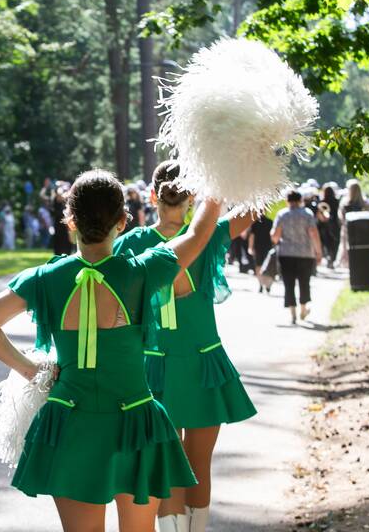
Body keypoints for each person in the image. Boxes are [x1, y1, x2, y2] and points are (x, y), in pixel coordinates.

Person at [0, 169, 224, 532]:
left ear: (69, 219)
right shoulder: (143, 269)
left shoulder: (45, 278)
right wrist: (220, 181)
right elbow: (198, 233)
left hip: (71, 421)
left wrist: (32, 370)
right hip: (137, 421)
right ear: (122, 221)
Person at [113, 161, 258, 532]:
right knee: (198, 466)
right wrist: (239, 161)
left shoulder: (130, 243)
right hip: (204, 361)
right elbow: (255, 209)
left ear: (152, 195)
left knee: (166, 464)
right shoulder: (209, 233)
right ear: (192, 196)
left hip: (153, 364)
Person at [271, 189, 323, 324]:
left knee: (289, 283)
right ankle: (303, 309)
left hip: (286, 254)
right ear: (300, 201)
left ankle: (292, 313)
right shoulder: (307, 214)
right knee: (304, 282)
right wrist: (318, 252)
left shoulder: (282, 215)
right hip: (305, 254)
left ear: (287, 201)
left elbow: (275, 237)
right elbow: (313, 233)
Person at [247, 209, 275, 293]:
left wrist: (250, 247)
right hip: (268, 247)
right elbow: (273, 236)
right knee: (269, 266)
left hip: (258, 247)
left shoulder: (255, 223)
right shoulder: (270, 222)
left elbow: (252, 236)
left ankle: (261, 284)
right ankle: (268, 284)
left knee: (258, 265)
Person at [318, 184, 341, 268]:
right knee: (334, 243)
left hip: (325, 226)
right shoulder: (336, 201)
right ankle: (332, 259)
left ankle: (329, 259)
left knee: (327, 243)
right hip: (334, 225)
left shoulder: (322, 201)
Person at [51, 183, 72, 255]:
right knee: (58, 242)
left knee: (66, 242)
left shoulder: (67, 200)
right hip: (58, 224)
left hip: (66, 225)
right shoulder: (55, 200)